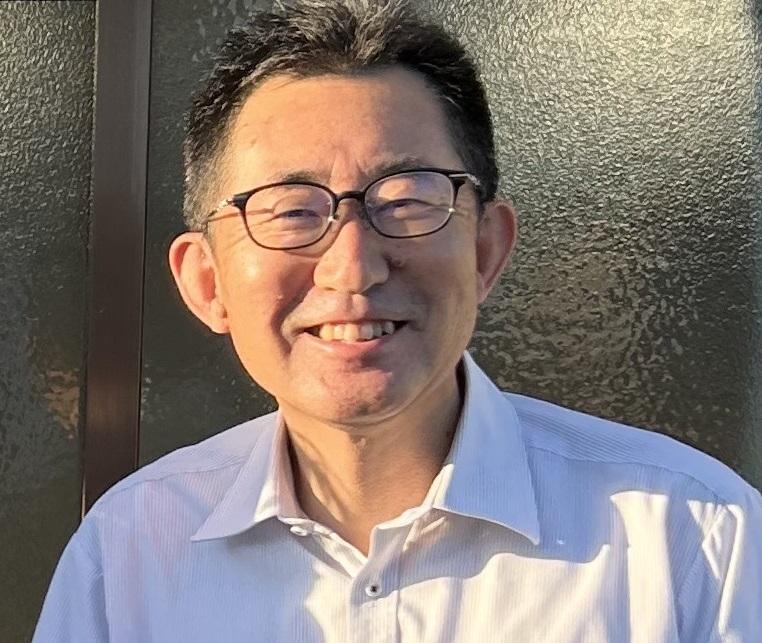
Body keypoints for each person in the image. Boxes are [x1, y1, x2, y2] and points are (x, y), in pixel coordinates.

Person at [34, 1, 761, 641]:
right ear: (207, 281)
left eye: (407, 200)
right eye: (292, 210)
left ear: (485, 250)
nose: (352, 267)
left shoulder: (693, 538)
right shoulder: (129, 553)